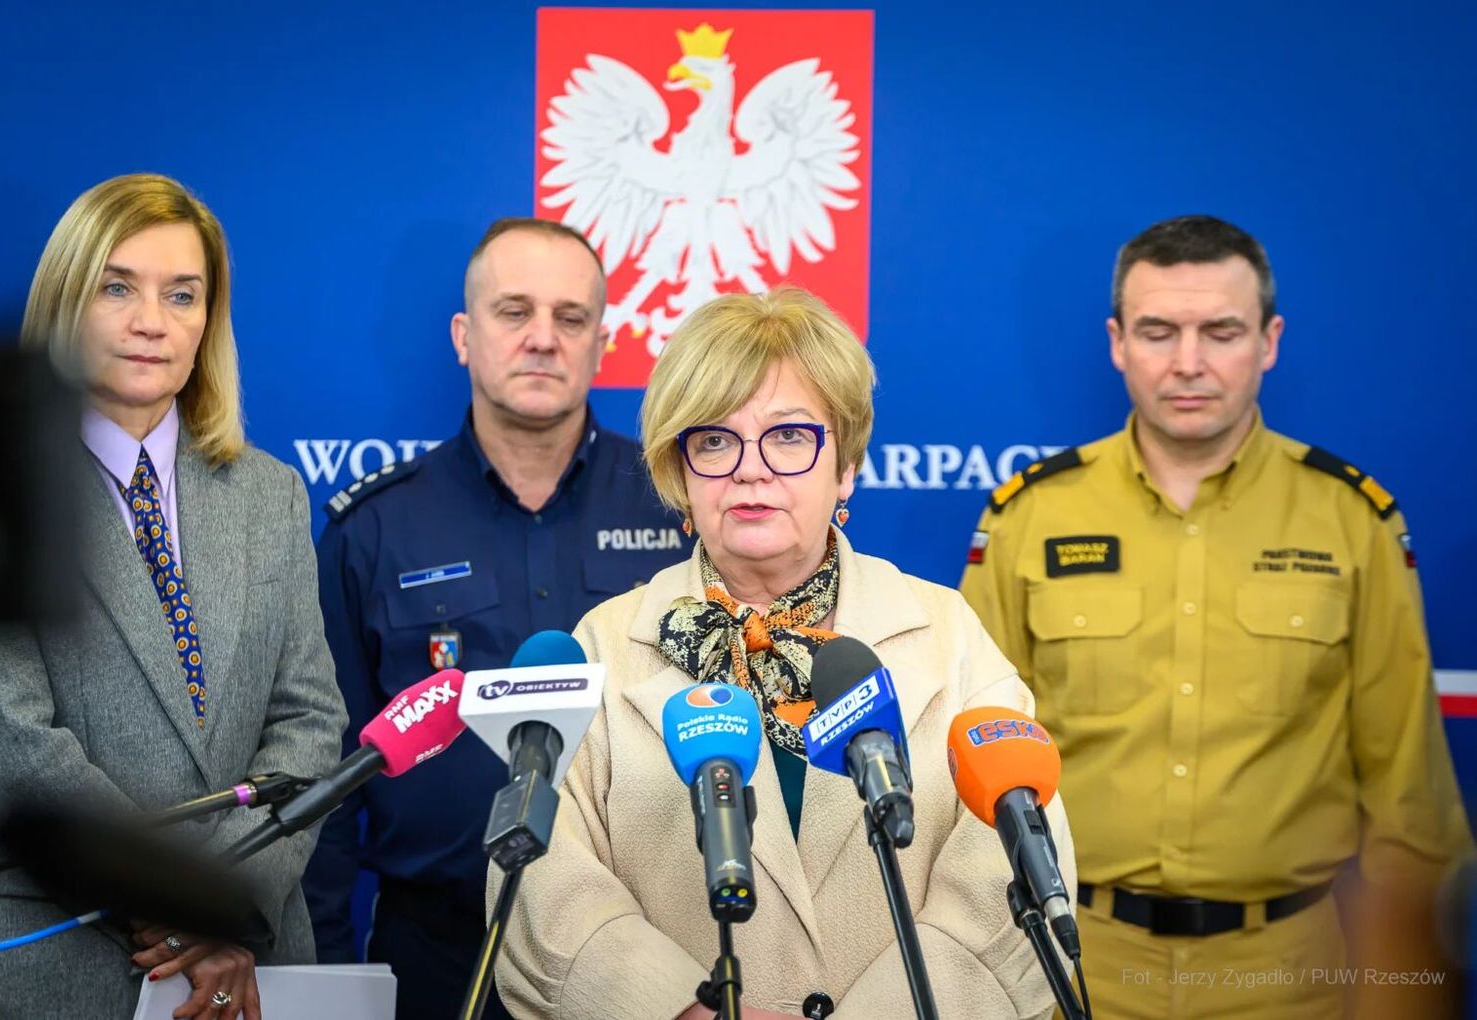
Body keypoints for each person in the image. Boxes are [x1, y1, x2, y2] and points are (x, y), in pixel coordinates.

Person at [490, 287, 1076, 1019]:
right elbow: (542, 885)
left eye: (790, 436)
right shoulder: (604, 644)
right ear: (680, 470)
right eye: (714, 440)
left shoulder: (946, 631)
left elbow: (1011, 869)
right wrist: (683, 1012)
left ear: (845, 466)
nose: (750, 469)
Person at [959, 214, 1473, 1018]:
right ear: (1117, 343)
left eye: (1221, 332)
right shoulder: (1028, 519)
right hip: (1072, 963)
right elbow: (972, 761)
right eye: (1158, 331)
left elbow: (1410, 805)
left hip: (1290, 977)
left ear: (1269, 341)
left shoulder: (1351, 522)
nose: (1189, 363)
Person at [0, 173, 348, 1020]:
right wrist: (176, 905)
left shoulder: (270, 493)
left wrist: (226, 904)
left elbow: (309, 722)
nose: (151, 322)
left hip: (247, 961)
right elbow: (17, 741)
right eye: (118, 287)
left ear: (208, 320)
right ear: (65, 302)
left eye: (182, 294)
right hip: (55, 959)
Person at [303, 217, 686, 1019]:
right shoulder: (376, 528)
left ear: (602, 343)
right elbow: (326, 772)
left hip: (647, 952)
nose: (543, 338)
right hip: (436, 954)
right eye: (514, 312)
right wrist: (321, 977)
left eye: (570, 317)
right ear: (463, 336)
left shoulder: (677, 506)